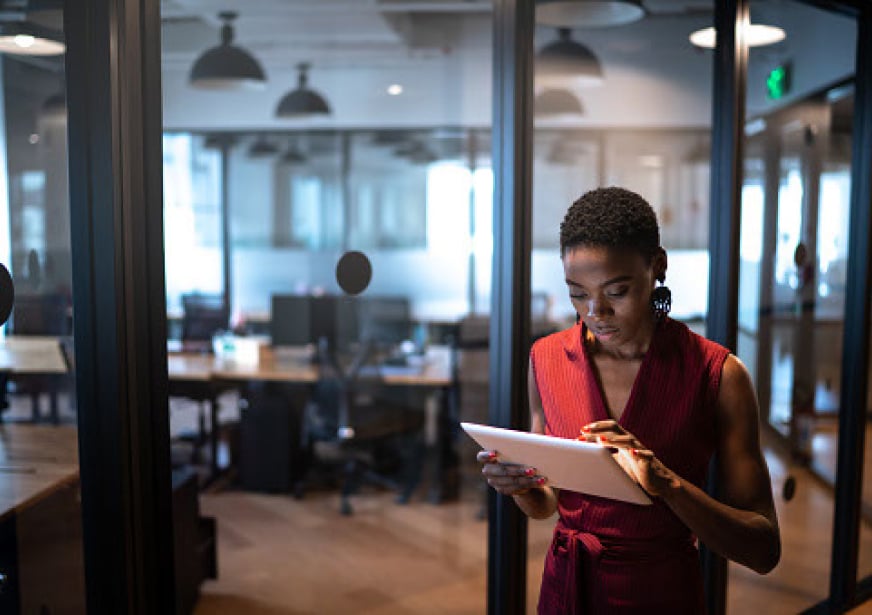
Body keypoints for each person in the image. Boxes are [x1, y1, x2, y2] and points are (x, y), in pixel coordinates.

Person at [478, 186, 781, 614]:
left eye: (616, 292)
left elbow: (764, 549)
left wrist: (668, 485)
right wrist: (522, 488)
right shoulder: (545, 359)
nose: (595, 312)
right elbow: (548, 503)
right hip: (566, 588)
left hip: (661, 594)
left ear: (657, 266)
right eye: (577, 293)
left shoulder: (719, 375)